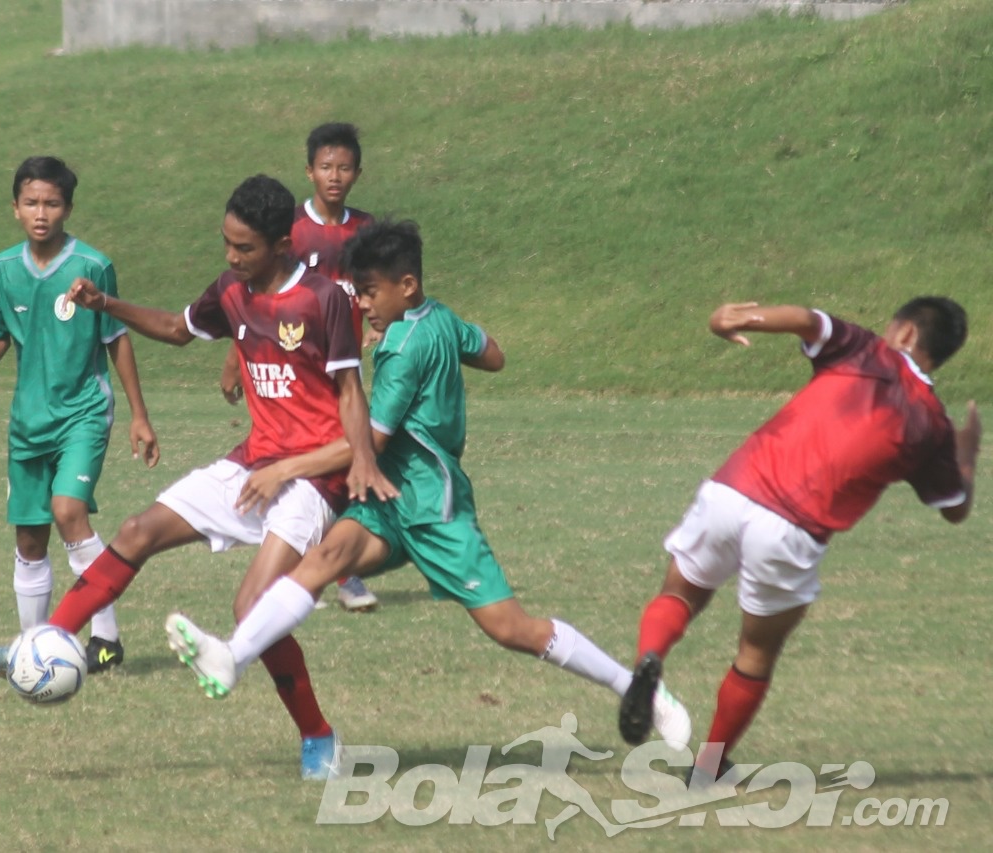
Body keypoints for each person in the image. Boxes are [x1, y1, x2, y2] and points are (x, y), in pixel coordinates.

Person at [164, 220, 693, 773]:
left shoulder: (401, 352)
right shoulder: (438, 317)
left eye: (369, 293)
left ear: (405, 286)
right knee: (324, 561)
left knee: (512, 629)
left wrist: (289, 466)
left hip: (433, 507)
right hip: (386, 498)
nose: (362, 304)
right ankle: (231, 657)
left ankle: (639, 689)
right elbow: (493, 354)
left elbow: (373, 439)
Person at [0, 174, 396, 780]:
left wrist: (357, 458)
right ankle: (40, 646)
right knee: (137, 529)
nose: (231, 257)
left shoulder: (323, 300)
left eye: (245, 247)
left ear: (281, 243)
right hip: (251, 463)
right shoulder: (232, 289)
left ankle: (319, 737)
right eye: (227, 243)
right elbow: (178, 330)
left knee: (253, 604)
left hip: (310, 480)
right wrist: (107, 305)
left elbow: (351, 392)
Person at [618, 298, 980, 786]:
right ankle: (707, 768)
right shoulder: (933, 424)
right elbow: (955, 509)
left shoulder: (868, 351)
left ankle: (650, 660)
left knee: (679, 595)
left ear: (907, 332)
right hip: (791, 531)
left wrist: (735, 317)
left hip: (733, 489)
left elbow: (810, 321)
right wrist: (967, 458)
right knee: (756, 652)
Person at [0, 156, 159, 677]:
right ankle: (31, 650)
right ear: (15, 208)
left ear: (68, 207)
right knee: (30, 536)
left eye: (51, 202)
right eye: (31, 202)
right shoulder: (2, 270)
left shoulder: (91, 265)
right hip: (28, 420)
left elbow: (117, 340)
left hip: (83, 412)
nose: (41, 212)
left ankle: (106, 641)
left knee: (69, 511)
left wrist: (139, 415)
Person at [217, 122, 380, 613]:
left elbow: (378, 286)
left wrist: (381, 326)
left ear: (357, 172)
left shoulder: (364, 230)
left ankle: (335, 565)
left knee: (345, 454)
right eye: (326, 167)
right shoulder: (291, 230)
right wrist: (233, 359)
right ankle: (334, 568)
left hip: (341, 359)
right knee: (331, 456)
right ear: (309, 171)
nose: (335, 176)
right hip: (293, 361)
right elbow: (255, 301)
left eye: (345, 167)